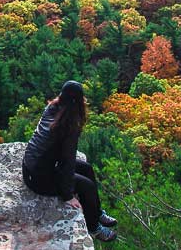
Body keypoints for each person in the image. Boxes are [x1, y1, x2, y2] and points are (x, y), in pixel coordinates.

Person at [21, 80, 117, 241]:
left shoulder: (52, 108)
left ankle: (97, 212)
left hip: (33, 168)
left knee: (87, 168)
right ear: (78, 101)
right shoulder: (68, 125)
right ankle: (94, 227)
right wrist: (68, 195)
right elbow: (68, 162)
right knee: (87, 186)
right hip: (38, 179)